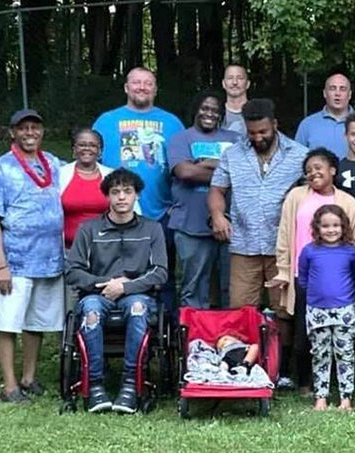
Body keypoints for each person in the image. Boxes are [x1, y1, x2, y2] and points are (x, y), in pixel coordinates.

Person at [208, 98, 308, 389]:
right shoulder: (233, 154)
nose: (257, 137)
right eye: (252, 133)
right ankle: (244, 365)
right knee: (241, 309)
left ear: (275, 125)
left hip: (283, 247)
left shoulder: (299, 154)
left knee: (284, 310)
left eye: (263, 131)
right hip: (243, 243)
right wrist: (217, 214)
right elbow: (217, 189)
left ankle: (285, 370)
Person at [66, 168, 168, 413]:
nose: (122, 197)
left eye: (127, 191)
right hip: (96, 295)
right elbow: (73, 271)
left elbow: (160, 272)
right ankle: (96, 385)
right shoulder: (88, 230)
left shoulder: (152, 229)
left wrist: (125, 286)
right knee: (90, 311)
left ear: (137, 196)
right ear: (107, 197)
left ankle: (131, 385)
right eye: (115, 192)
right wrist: (105, 284)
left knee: (138, 308)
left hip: (138, 295)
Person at [0, 109, 64, 403]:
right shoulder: (0, 169)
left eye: (35, 128)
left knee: (37, 322)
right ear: (13, 133)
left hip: (50, 260)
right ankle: (10, 385)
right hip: (16, 261)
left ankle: (29, 378)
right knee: (8, 322)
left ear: (42, 132)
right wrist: (1, 264)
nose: (30, 133)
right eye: (23, 128)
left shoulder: (53, 164)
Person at [93, 67, 183, 316]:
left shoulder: (172, 123)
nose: (142, 87)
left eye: (148, 83)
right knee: (117, 271)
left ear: (155, 89)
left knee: (163, 275)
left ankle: (165, 330)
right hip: (118, 213)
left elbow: (182, 166)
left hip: (161, 211)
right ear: (126, 87)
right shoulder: (106, 121)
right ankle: (118, 324)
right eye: (136, 83)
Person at [269, 148, 355, 397]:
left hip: (339, 279)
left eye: (318, 167)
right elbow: (284, 235)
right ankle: (306, 385)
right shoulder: (296, 196)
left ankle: (342, 388)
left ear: (333, 170)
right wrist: (284, 270)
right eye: (308, 170)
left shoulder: (347, 202)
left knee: (341, 336)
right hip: (304, 276)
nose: (313, 173)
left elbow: (354, 241)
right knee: (304, 334)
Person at [169, 91, 240, 309]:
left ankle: (230, 335)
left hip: (231, 225)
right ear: (196, 110)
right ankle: (193, 337)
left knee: (232, 287)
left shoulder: (235, 139)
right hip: (190, 224)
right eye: (205, 108)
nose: (210, 113)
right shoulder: (181, 138)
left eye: (215, 110)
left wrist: (204, 163)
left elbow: (243, 173)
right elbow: (185, 173)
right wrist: (223, 169)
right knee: (194, 286)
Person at [298, 205, 355, 411]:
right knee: (320, 353)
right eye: (325, 226)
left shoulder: (351, 252)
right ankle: (321, 397)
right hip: (317, 311)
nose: (331, 230)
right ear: (317, 228)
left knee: (345, 353)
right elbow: (303, 279)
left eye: (336, 225)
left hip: (345, 311)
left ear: (343, 227)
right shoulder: (309, 251)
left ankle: (346, 398)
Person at [295, 72, 355, 159]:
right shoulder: (308, 125)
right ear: (325, 93)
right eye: (332, 88)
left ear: (350, 94)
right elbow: (298, 160)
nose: (337, 93)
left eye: (342, 89)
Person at [60, 129, 114, 250]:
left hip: (106, 250)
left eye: (93, 145)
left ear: (100, 151)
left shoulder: (112, 176)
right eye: (82, 145)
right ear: (74, 150)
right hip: (68, 251)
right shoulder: (60, 175)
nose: (87, 148)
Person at [221, 64, 251, 134]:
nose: (235, 82)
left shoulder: (258, 113)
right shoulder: (215, 114)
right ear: (223, 83)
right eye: (230, 78)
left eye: (240, 78)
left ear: (248, 84)